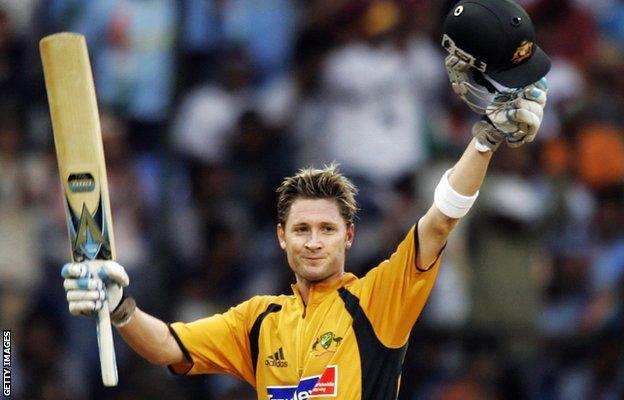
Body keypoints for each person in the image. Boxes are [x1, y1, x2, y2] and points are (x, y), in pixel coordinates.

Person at [61, 0, 550, 398]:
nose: (314, 242)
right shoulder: (257, 322)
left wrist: (485, 140)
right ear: (281, 237)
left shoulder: (376, 302)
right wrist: (120, 307)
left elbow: (440, 222)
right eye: (301, 229)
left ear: (349, 236)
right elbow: (168, 344)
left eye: (326, 229)